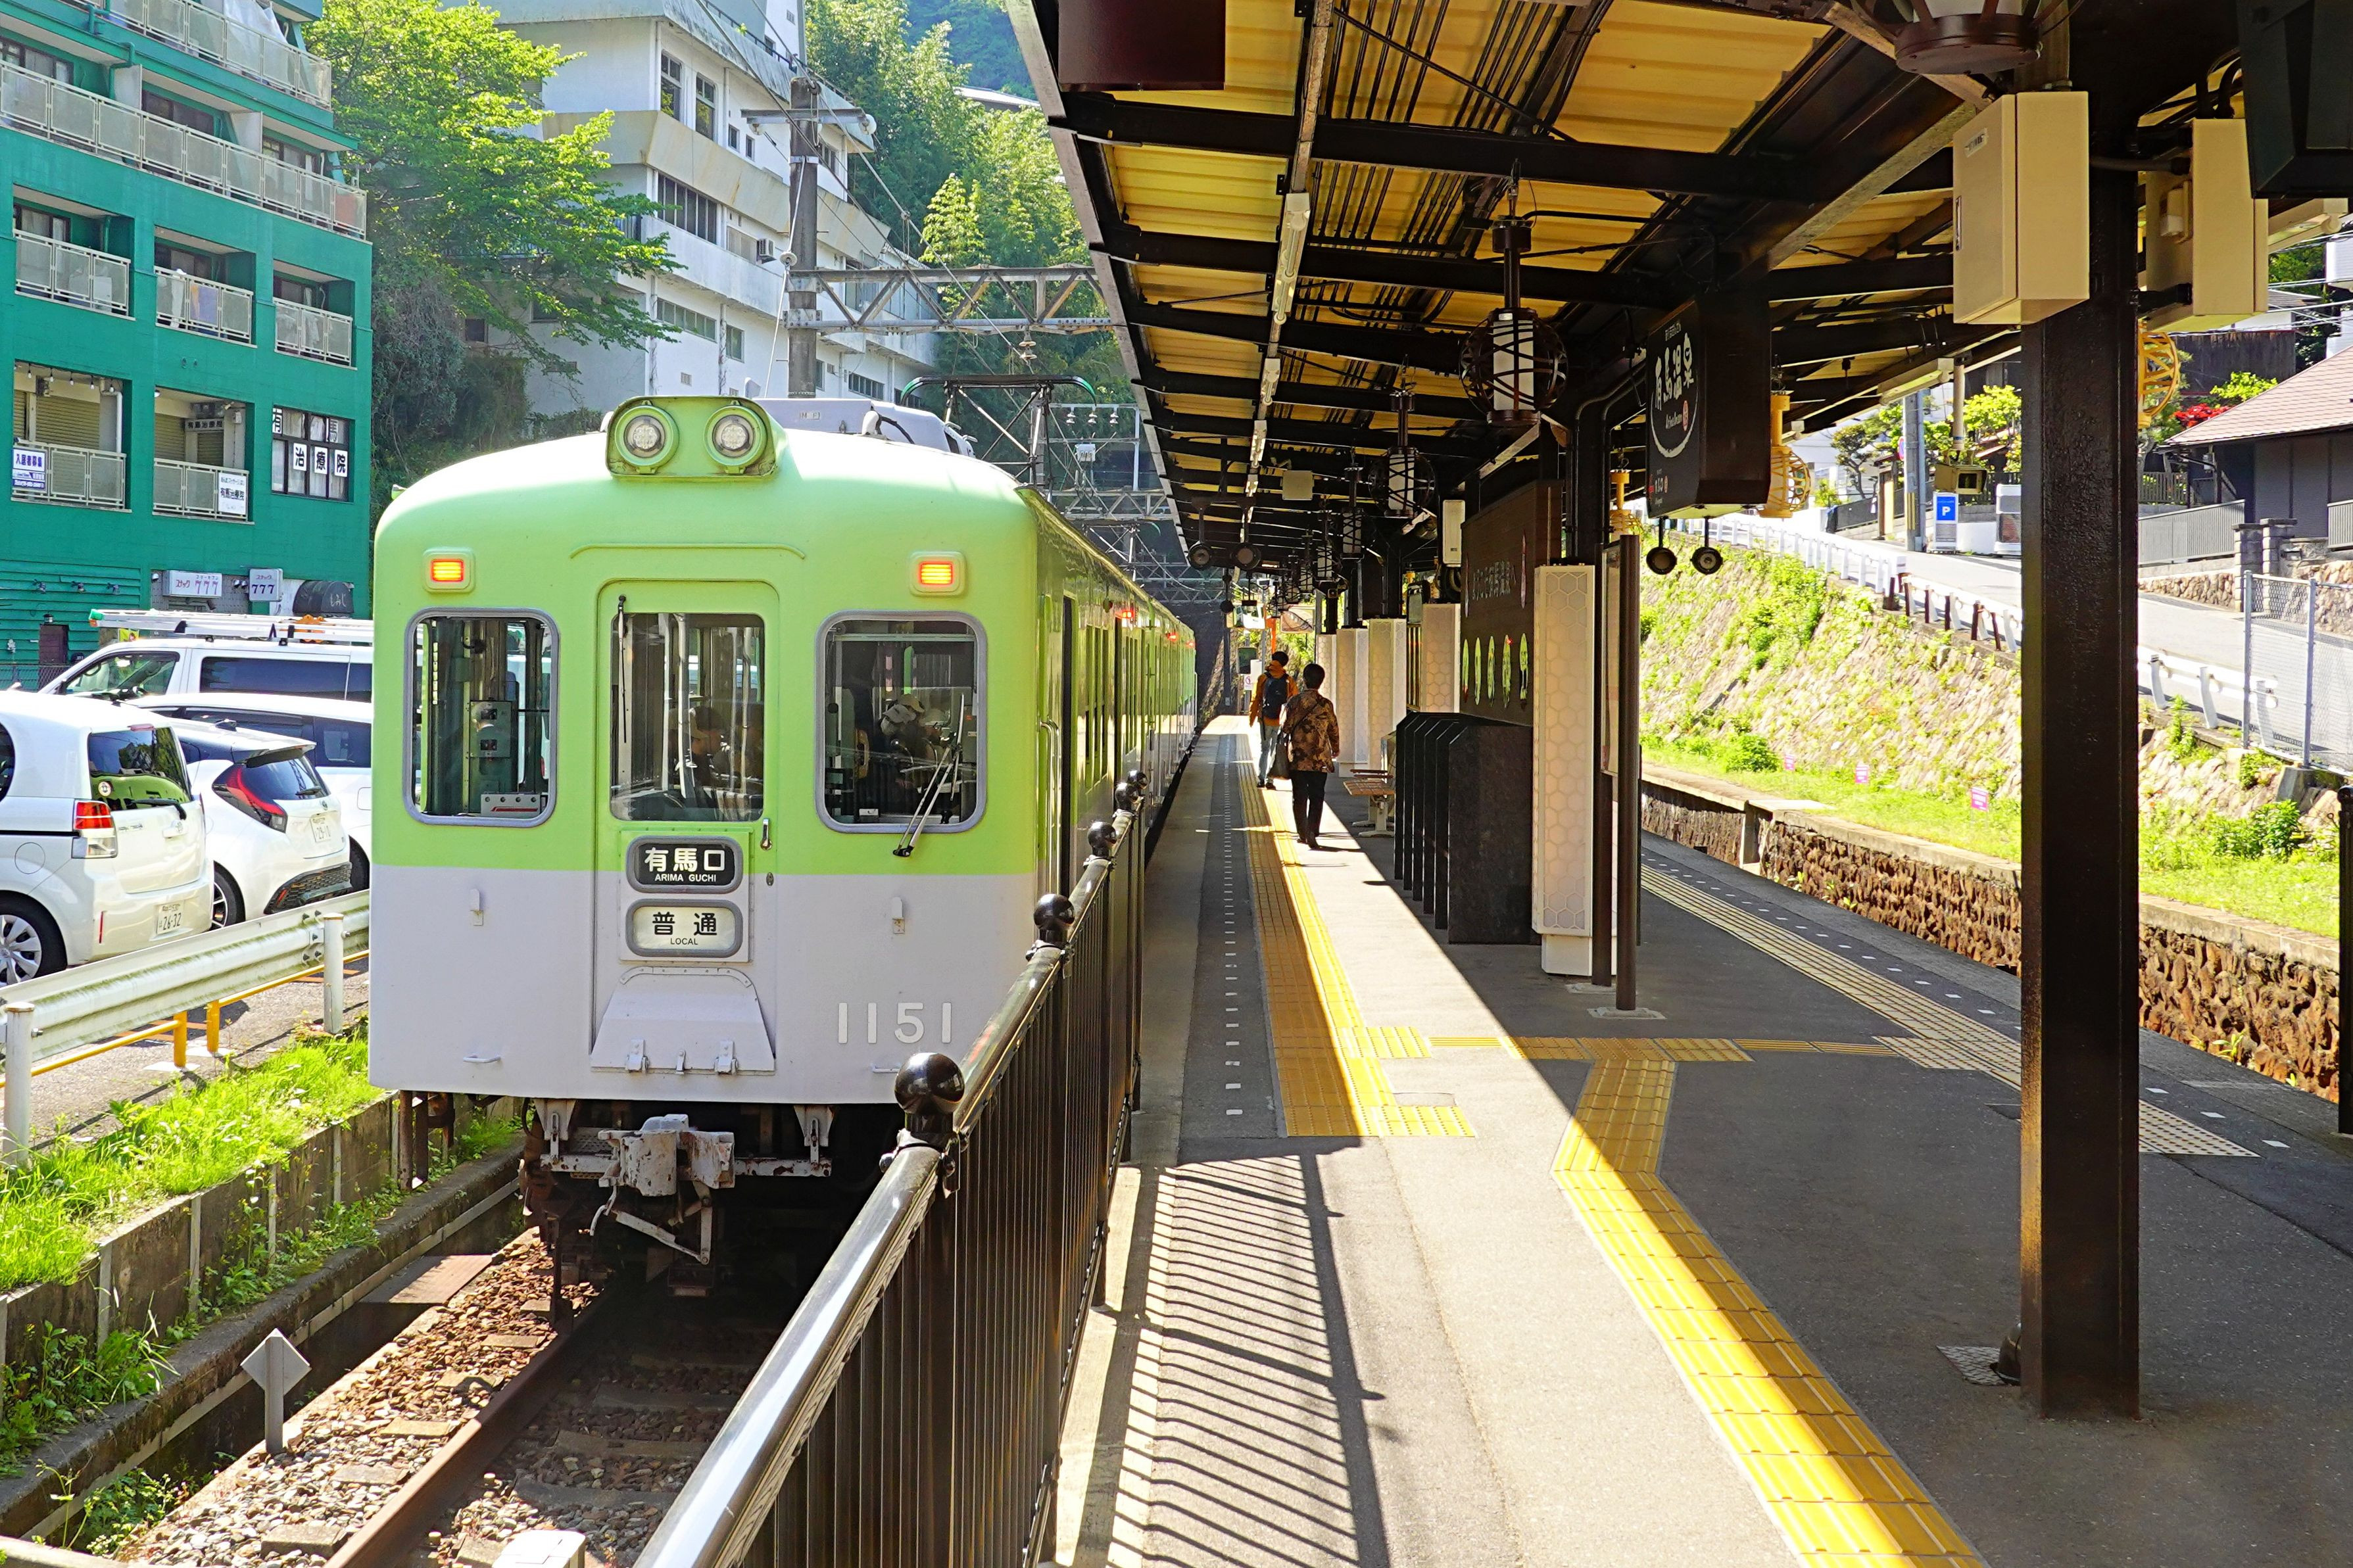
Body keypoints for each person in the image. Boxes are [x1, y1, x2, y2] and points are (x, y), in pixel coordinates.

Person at [1280, 662, 1341, 850]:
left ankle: (1303, 833)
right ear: (1321, 682)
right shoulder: (1326, 704)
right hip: (1320, 759)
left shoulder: (1294, 702)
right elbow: (1333, 729)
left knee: (1299, 795)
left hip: (1298, 758)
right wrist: (1335, 748)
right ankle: (1313, 830)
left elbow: (1286, 727)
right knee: (1317, 795)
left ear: (1304, 680)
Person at [1248, 650, 1294, 788]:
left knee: (1265, 750)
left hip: (1265, 719)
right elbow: (1293, 701)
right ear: (1284, 664)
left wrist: (1252, 718)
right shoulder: (1288, 680)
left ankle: (1261, 779)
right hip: (1281, 721)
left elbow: (1256, 699)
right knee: (1275, 750)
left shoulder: (1263, 678)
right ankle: (1270, 780)